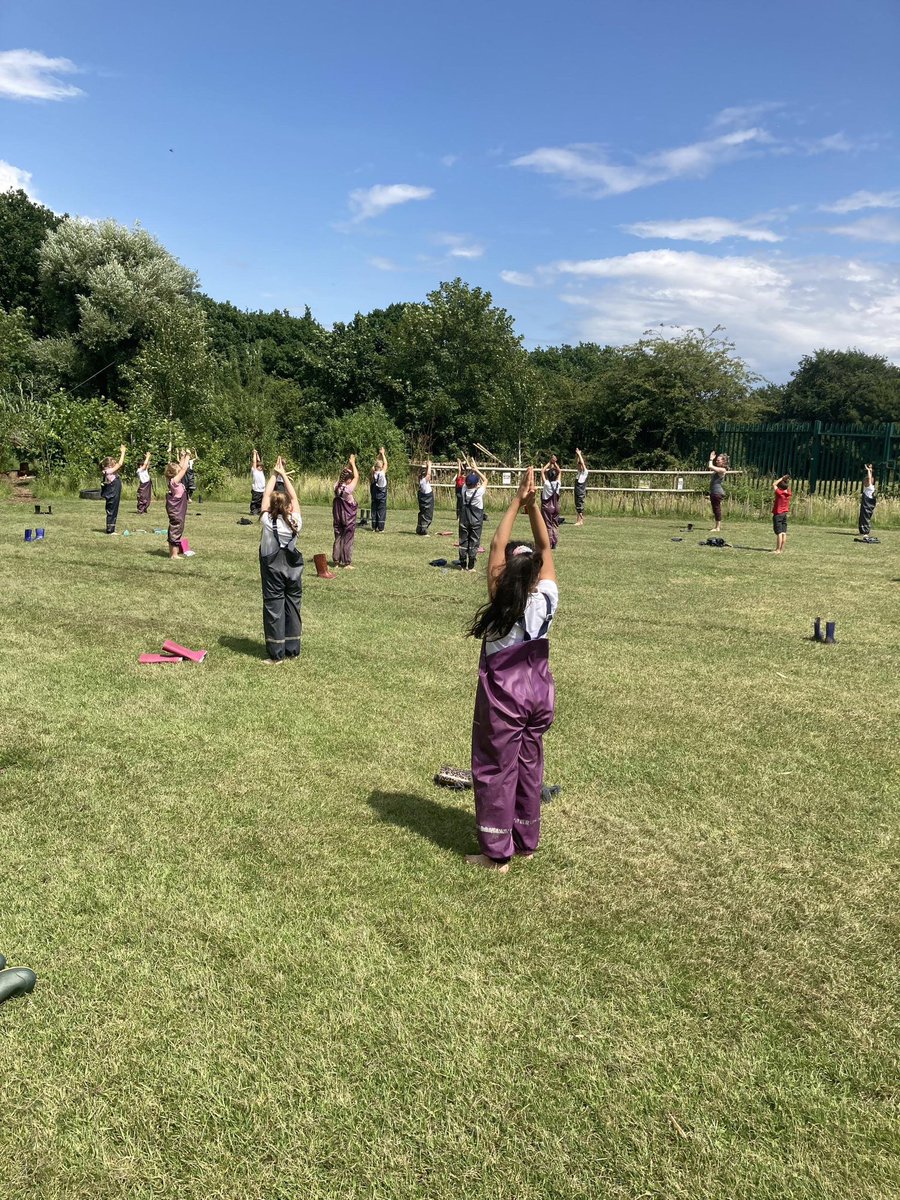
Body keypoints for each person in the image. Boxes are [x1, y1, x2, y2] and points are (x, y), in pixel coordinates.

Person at [465, 466, 558, 872]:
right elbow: (545, 546)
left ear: (505, 574)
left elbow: (495, 544)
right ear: (536, 571)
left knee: (495, 768)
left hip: (505, 695)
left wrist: (517, 500)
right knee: (529, 764)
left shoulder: (502, 602)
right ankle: (526, 841)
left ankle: (496, 854)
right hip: (540, 692)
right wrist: (532, 506)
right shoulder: (548, 597)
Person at [259, 456, 303, 662]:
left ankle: (276, 654)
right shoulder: (296, 521)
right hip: (293, 571)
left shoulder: (268, 520)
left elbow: (265, 495)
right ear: (289, 507)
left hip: (273, 571)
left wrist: (273, 475)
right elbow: (294, 498)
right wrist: (283, 475)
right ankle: (292, 650)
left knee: (274, 608)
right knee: (293, 606)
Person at [458, 461, 487, 572]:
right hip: (476, 521)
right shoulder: (479, 492)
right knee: (474, 542)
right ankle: (471, 566)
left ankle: (462, 565)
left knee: (463, 541)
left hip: (464, 519)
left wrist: (472, 471)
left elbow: (467, 482)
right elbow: (485, 480)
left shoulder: (464, 490)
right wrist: (476, 470)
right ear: (476, 484)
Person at [332, 454, 359, 568]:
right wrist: (353, 464)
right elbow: (357, 476)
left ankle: (336, 561)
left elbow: (342, 475)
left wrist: (349, 463)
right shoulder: (348, 489)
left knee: (338, 536)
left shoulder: (336, 486)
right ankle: (347, 562)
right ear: (348, 480)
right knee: (348, 538)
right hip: (348, 516)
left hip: (338, 515)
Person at [164, 452, 192, 559]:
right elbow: (183, 469)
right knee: (176, 529)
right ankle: (174, 555)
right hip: (176, 509)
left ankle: (173, 552)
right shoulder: (174, 481)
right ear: (175, 473)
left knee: (176, 529)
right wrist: (188, 456)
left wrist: (183, 457)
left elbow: (180, 467)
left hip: (178, 509)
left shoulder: (174, 481)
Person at [101, 444, 126, 534]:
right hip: (112, 492)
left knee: (114, 509)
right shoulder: (108, 471)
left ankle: (111, 528)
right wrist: (123, 452)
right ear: (109, 465)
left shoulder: (108, 471)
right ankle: (110, 530)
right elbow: (120, 464)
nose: (115, 464)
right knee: (112, 510)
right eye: (113, 463)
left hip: (113, 491)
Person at [540, 460, 561, 549]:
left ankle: (549, 543)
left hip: (547, 507)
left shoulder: (546, 484)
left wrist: (549, 462)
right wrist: (554, 463)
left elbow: (542, 471)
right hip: (556, 506)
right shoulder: (558, 483)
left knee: (548, 525)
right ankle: (555, 542)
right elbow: (559, 471)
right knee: (555, 524)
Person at [708, 451, 729, 532]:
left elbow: (710, 466)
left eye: (718, 460)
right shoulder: (718, 469)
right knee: (715, 509)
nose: (716, 461)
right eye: (716, 460)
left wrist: (711, 459)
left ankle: (717, 528)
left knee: (717, 509)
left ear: (723, 462)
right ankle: (717, 526)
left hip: (717, 492)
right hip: (714, 492)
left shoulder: (722, 470)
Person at [370, 446, 388, 532]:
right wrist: (383, 454)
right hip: (382, 495)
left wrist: (379, 455)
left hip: (374, 495)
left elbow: (376, 464)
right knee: (381, 511)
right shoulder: (382, 474)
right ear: (381, 467)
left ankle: (374, 527)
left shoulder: (373, 472)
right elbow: (386, 464)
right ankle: (380, 528)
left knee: (374, 510)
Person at [772, 473, 791, 554]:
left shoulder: (779, 493)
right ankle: (781, 549)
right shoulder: (788, 493)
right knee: (783, 532)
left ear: (780, 487)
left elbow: (774, 484)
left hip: (778, 514)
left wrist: (782, 478)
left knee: (779, 533)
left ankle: (777, 550)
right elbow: (786, 487)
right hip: (784, 514)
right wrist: (785, 480)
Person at [859, 463, 877, 535]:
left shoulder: (869, 487)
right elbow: (870, 478)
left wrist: (868, 470)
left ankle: (865, 531)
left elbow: (869, 478)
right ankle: (863, 530)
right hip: (866, 505)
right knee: (863, 517)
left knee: (865, 517)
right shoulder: (870, 487)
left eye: (865, 481)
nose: (864, 482)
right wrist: (870, 470)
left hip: (867, 505)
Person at [416, 460, 434, 535]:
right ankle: (423, 531)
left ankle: (419, 529)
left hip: (425, 500)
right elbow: (428, 475)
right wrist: (429, 465)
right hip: (427, 501)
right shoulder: (424, 481)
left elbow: (427, 474)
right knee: (427, 515)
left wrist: (427, 467)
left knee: (422, 514)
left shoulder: (422, 481)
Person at [574, 449, 588, 526]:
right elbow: (578, 463)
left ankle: (581, 520)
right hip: (577, 491)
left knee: (580, 505)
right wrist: (577, 456)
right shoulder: (579, 473)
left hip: (581, 492)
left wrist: (579, 454)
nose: (579, 466)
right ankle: (578, 520)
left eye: (581, 465)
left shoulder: (585, 472)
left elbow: (582, 463)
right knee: (577, 505)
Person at [136, 451, 152, 515]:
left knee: (147, 497)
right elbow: (145, 465)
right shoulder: (139, 470)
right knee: (142, 497)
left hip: (148, 484)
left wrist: (148, 458)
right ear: (140, 466)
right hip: (143, 485)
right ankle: (140, 509)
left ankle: (145, 508)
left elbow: (147, 464)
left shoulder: (144, 469)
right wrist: (147, 457)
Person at [250, 449, 266, 516]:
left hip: (262, 490)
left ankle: (259, 511)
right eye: (259, 467)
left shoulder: (261, 471)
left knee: (260, 502)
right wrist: (254, 453)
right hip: (256, 490)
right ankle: (253, 511)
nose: (261, 468)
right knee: (255, 501)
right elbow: (254, 462)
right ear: (256, 467)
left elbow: (259, 461)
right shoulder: (255, 471)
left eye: (261, 467)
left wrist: (257, 454)